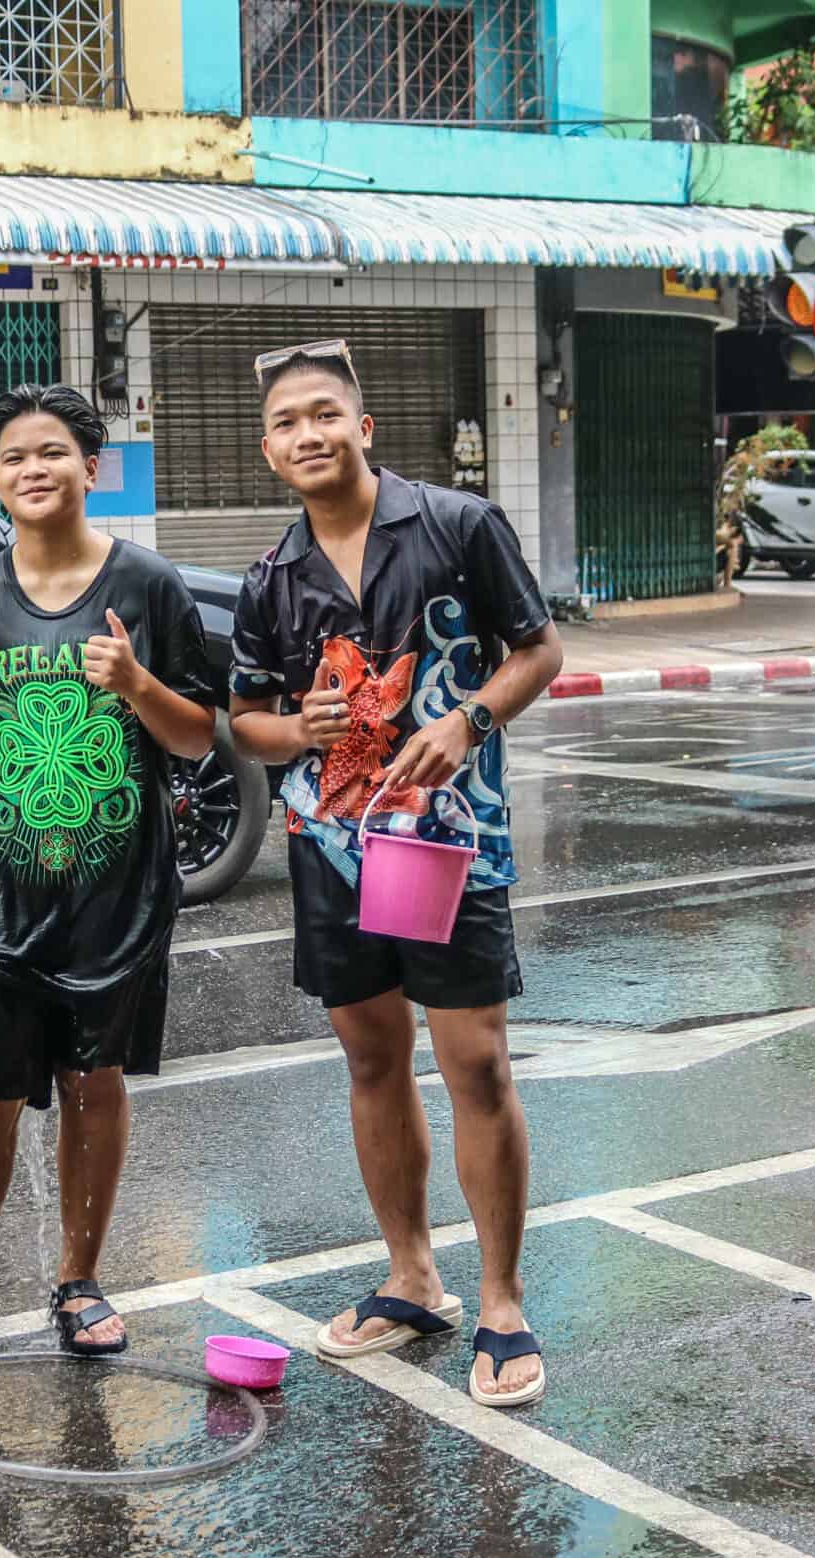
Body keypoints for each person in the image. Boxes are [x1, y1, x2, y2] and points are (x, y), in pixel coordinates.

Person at [227, 340, 565, 1408]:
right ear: (270, 449)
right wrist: (295, 725)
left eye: (324, 414)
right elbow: (245, 721)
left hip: (450, 840)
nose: (308, 435)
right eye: (287, 423)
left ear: (362, 428)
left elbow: (538, 650)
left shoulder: (458, 526)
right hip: (331, 845)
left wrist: (468, 722)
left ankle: (502, 1301)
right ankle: (412, 1275)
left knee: (475, 1062)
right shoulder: (270, 579)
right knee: (371, 1060)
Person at [0, 384, 219, 1358]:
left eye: (51, 452)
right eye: (12, 457)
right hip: (0, 899)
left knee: (94, 1082)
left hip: (116, 900)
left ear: (91, 469)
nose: (31, 469)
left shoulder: (149, 588)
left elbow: (199, 737)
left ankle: (78, 1279)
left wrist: (136, 683)